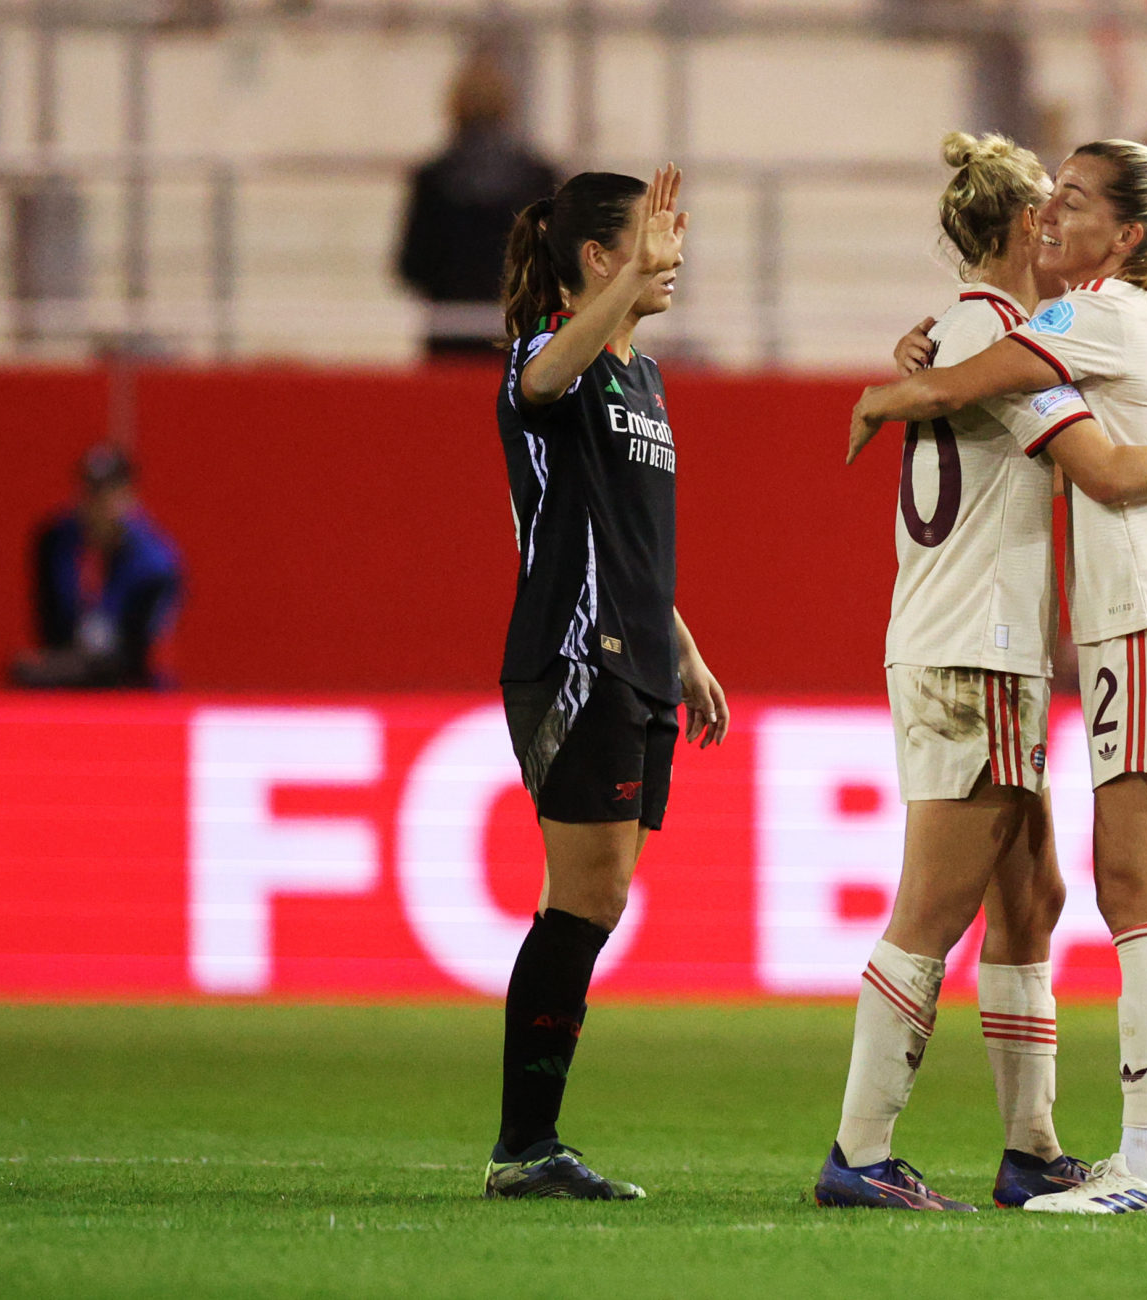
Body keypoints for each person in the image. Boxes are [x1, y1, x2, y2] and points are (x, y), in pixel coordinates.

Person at [817, 132, 1147, 1214]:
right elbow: (1105, 464)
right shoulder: (1046, 331)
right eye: (1047, 205)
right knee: (1003, 902)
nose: (1054, 220)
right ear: (1018, 228)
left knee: (1048, 893)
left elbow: (1084, 429)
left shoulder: (1042, 329)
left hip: (1061, 635)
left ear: (1118, 231)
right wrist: (910, 387)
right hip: (982, 638)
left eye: (1072, 204)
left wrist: (906, 385)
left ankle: (1069, 1147)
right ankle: (866, 1147)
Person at [484, 165, 730, 1201]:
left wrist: (685, 647)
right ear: (596, 257)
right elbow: (539, 384)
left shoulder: (641, 375)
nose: (672, 258)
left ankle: (531, 1143)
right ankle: (524, 1146)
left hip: (635, 655)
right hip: (576, 655)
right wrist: (625, 292)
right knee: (583, 895)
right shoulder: (553, 354)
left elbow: (624, 537)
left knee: (599, 896)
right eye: (650, 241)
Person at [399, 50, 560, 361]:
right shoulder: (540, 177)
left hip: (451, 335)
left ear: (453, 106)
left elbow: (411, 265)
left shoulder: (432, 179)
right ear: (508, 107)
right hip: (523, 336)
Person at [12, 444, 182, 690]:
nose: (98, 503)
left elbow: (135, 653)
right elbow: (50, 625)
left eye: (108, 492)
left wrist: (61, 666)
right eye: (90, 491)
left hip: (132, 686)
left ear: (129, 494)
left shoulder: (155, 565)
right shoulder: (55, 541)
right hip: (65, 673)